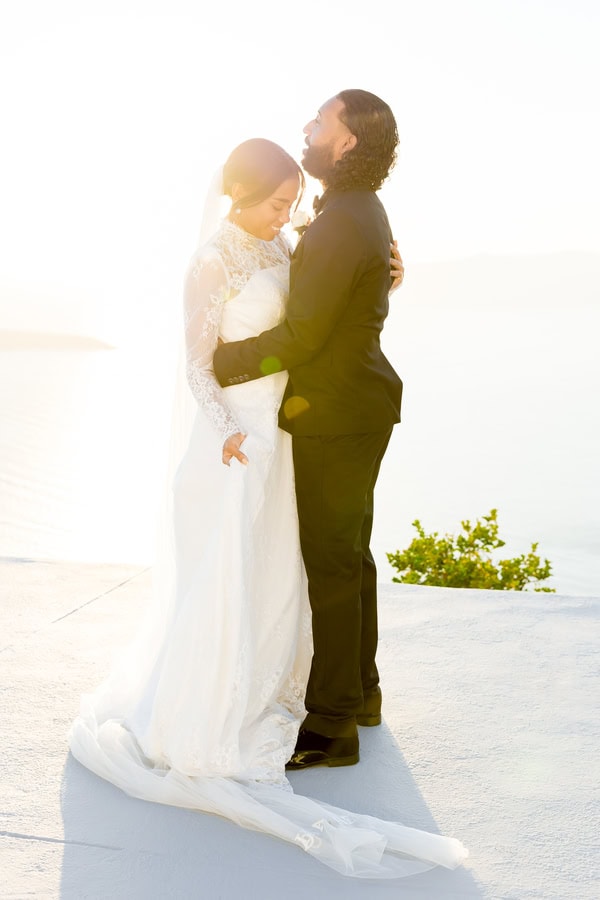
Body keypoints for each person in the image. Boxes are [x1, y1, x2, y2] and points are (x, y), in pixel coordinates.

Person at [68, 131, 468, 878]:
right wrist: (225, 431)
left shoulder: (284, 245)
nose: (286, 216)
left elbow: (321, 305)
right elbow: (195, 366)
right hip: (236, 443)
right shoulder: (210, 259)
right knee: (228, 575)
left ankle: (293, 691)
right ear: (241, 196)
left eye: (292, 203)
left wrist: (390, 277)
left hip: (286, 432)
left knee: (282, 571)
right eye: (276, 204)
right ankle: (210, 708)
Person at [213, 90, 402, 771]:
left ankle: (332, 728)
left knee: (332, 566)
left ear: (346, 142)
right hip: (360, 409)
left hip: (338, 416)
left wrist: (223, 361)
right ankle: (364, 694)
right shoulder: (357, 213)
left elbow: (301, 336)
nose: (309, 127)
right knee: (351, 559)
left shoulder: (342, 222)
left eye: (321, 121)